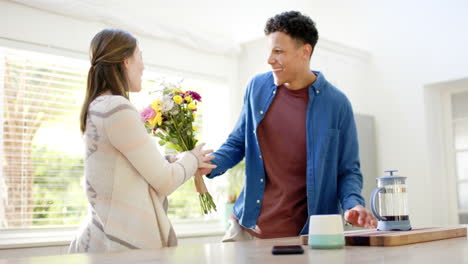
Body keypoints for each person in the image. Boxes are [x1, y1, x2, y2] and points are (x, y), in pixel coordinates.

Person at [201, 11, 377, 240]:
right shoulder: (257, 87)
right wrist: (208, 164)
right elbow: (238, 142)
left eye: (278, 51)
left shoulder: (337, 104)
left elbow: (347, 170)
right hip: (248, 229)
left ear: (305, 52)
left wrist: (354, 204)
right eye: (270, 51)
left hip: (307, 237)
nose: (269, 59)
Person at [69, 29, 216, 253]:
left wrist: (170, 159)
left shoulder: (98, 106)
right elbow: (165, 181)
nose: (143, 66)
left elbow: (123, 168)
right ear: (126, 61)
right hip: (119, 246)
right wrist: (191, 158)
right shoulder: (117, 107)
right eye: (140, 56)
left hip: (101, 240)